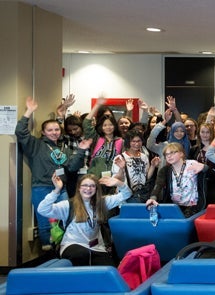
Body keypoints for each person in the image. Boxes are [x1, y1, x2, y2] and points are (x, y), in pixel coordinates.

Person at [16, 96, 90, 251]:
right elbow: (21, 132)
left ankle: (60, 251)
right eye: (50, 130)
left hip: (61, 189)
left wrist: (81, 151)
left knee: (62, 221)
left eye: (56, 129)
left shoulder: (64, 147)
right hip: (42, 187)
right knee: (44, 223)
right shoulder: (35, 145)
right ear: (43, 132)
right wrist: (29, 111)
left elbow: (72, 167)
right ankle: (47, 253)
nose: (54, 132)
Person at [37, 174, 131, 266]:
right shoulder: (68, 205)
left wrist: (118, 183)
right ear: (79, 188)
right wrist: (56, 190)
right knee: (81, 254)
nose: (88, 189)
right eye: (85, 185)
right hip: (72, 245)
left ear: (96, 188)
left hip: (96, 247)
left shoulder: (102, 203)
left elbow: (127, 193)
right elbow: (42, 209)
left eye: (92, 186)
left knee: (108, 269)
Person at [146, 143, 207, 217]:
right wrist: (153, 198)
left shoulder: (192, 164)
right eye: (166, 154)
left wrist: (204, 167)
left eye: (172, 153)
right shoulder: (165, 170)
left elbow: (210, 174)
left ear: (181, 154)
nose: (169, 156)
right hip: (175, 206)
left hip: (193, 206)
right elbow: (158, 185)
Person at [112, 130, 159, 203]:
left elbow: (146, 177)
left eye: (139, 141)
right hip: (125, 195)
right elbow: (116, 179)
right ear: (128, 142)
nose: (136, 144)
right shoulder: (120, 158)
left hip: (142, 195)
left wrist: (152, 166)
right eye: (133, 141)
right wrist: (121, 168)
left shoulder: (144, 157)